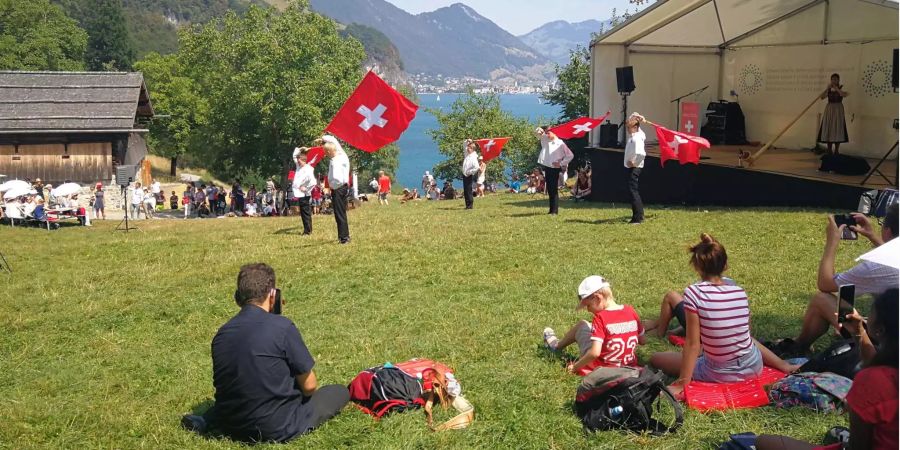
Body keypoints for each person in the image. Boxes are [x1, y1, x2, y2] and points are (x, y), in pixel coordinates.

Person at [181, 263, 350, 443]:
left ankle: (207, 419)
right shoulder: (282, 327)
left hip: (231, 424)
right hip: (276, 428)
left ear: (238, 297)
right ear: (273, 295)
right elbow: (309, 386)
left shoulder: (222, 334)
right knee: (338, 391)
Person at [649, 234, 800, 398]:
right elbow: (746, 336)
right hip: (754, 366)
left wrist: (681, 383)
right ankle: (782, 365)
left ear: (697, 267)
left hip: (719, 372)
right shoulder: (739, 291)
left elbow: (693, 344)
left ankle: (657, 330)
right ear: (725, 265)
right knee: (745, 340)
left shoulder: (694, 292)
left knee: (657, 358)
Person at [756, 288, 898, 450]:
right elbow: (876, 363)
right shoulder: (885, 372)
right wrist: (859, 331)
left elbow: (858, 446)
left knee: (764, 442)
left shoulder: (873, 381)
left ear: (879, 329)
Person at [774, 203, 898, 357]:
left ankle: (799, 344)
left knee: (823, 299)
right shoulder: (890, 262)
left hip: (887, 345)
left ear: (887, 230)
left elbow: (825, 284)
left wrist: (832, 242)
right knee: (846, 296)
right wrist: (873, 236)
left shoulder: (876, 267)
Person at [542, 275, 645, 377]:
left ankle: (556, 346)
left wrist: (575, 367)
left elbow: (595, 353)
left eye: (588, 305)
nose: (588, 309)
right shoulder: (630, 311)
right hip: (629, 367)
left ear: (597, 298)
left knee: (582, 325)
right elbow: (642, 341)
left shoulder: (601, 318)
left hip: (603, 369)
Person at [535, 126, 574, 215]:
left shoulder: (560, 143)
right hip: (548, 167)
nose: (547, 135)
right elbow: (537, 133)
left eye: (549, 133)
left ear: (554, 132)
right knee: (550, 189)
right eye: (547, 133)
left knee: (553, 189)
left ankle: (555, 211)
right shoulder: (546, 139)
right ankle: (551, 210)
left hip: (555, 168)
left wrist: (561, 163)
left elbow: (570, 155)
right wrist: (540, 131)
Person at [322, 135, 351, 244]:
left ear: (329, 152)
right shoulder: (342, 156)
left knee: (339, 214)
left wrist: (330, 187)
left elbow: (336, 178)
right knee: (341, 212)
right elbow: (334, 141)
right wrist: (323, 139)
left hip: (338, 188)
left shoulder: (335, 161)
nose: (325, 154)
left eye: (325, 152)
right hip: (343, 187)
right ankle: (344, 236)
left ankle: (344, 238)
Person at [817, 73, 850, 156]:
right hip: (830, 109)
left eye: (836, 79)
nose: (834, 81)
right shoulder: (829, 89)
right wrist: (827, 89)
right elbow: (821, 97)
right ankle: (829, 149)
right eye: (833, 79)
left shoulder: (842, 87)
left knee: (837, 129)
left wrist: (836, 88)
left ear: (838, 80)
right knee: (829, 128)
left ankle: (836, 150)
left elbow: (844, 94)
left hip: (838, 109)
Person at [624, 113, 646, 224]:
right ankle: (637, 216)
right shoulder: (638, 135)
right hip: (632, 167)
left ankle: (638, 217)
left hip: (635, 167)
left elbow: (641, 154)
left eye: (629, 127)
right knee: (632, 191)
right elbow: (633, 116)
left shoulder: (637, 138)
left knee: (633, 191)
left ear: (635, 127)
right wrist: (638, 116)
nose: (628, 129)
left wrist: (634, 162)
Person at [292, 149, 316, 235]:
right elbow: (294, 156)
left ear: (304, 160)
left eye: (299, 161)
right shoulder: (299, 166)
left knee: (305, 212)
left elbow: (313, 182)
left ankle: (307, 231)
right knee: (303, 212)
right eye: (298, 161)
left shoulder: (308, 169)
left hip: (304, 194)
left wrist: (306, 188)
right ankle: (308, 229)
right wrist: (301, 149)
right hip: (299, 193)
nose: (298, 163)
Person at [461, 139, 479, 210]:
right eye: (468, 148)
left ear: (472, 149)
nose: (467, 149)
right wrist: (468, 141)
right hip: (465, 174)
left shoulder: (473, 157)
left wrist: (469, 172)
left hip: (468, 175)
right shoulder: (468, 154)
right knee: (466, 190)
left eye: (469, 148)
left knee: (468, 190)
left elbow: (477, 167)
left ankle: (470, 205)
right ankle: (467, 205)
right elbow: (464, 145)